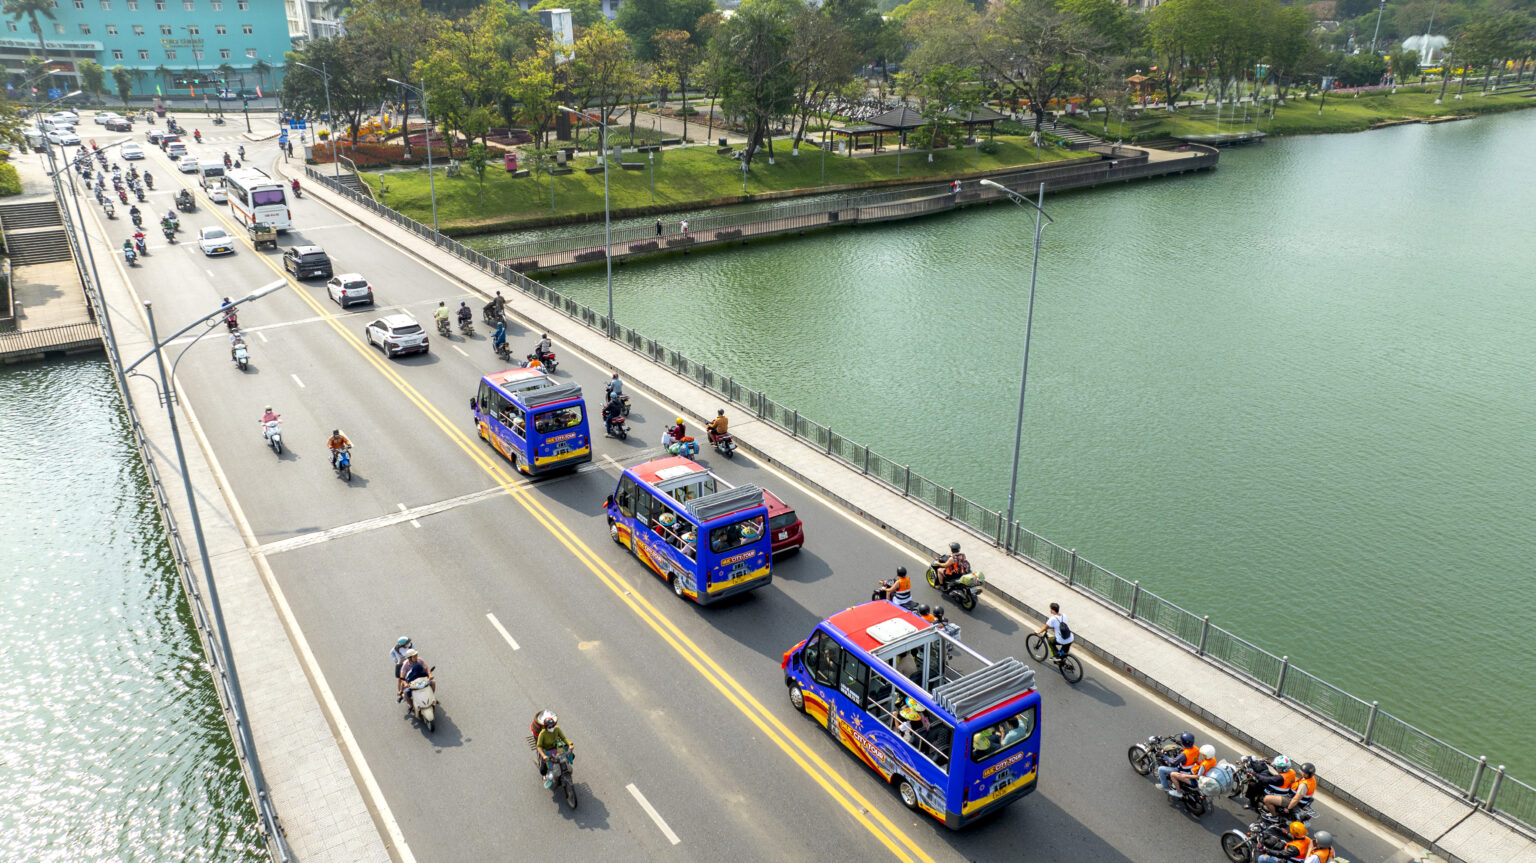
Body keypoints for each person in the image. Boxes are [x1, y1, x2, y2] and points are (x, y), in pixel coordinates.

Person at [533, 710, 573, 788]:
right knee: (543, 768)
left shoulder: (557, 729)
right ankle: (544, 776)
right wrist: (543, 755)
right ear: (545, 726)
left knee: (568, 756)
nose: (552, 728)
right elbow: (539, 746)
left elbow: (563, 738)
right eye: (550, 727)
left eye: (553, 725)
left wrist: (569, 744)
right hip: (546, 751)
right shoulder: (542, 734)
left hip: (555, 748)